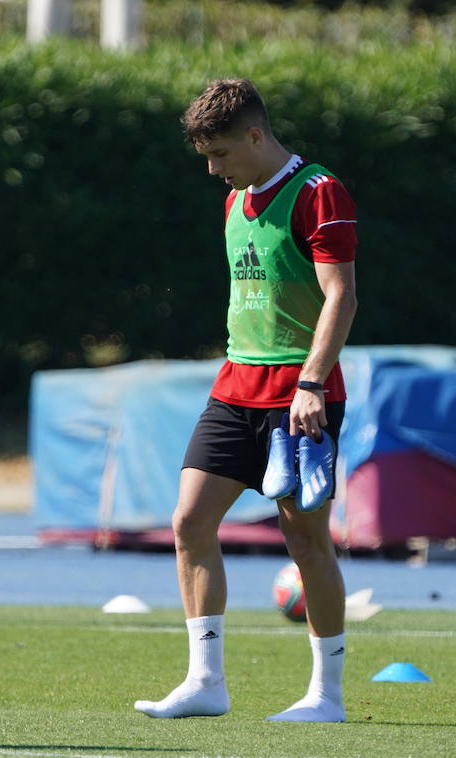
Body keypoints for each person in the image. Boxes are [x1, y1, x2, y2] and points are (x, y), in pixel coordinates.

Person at [135, 78, 358, 723]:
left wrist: (312, 383)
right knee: (189, 522)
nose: (212, 170)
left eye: (220, 154)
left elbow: (341, 295)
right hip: (235, 388)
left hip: (300, 396)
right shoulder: (235, 200)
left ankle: (326, 696)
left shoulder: (319, 192)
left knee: (305, 540)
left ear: (255, 137)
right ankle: (205, 682)